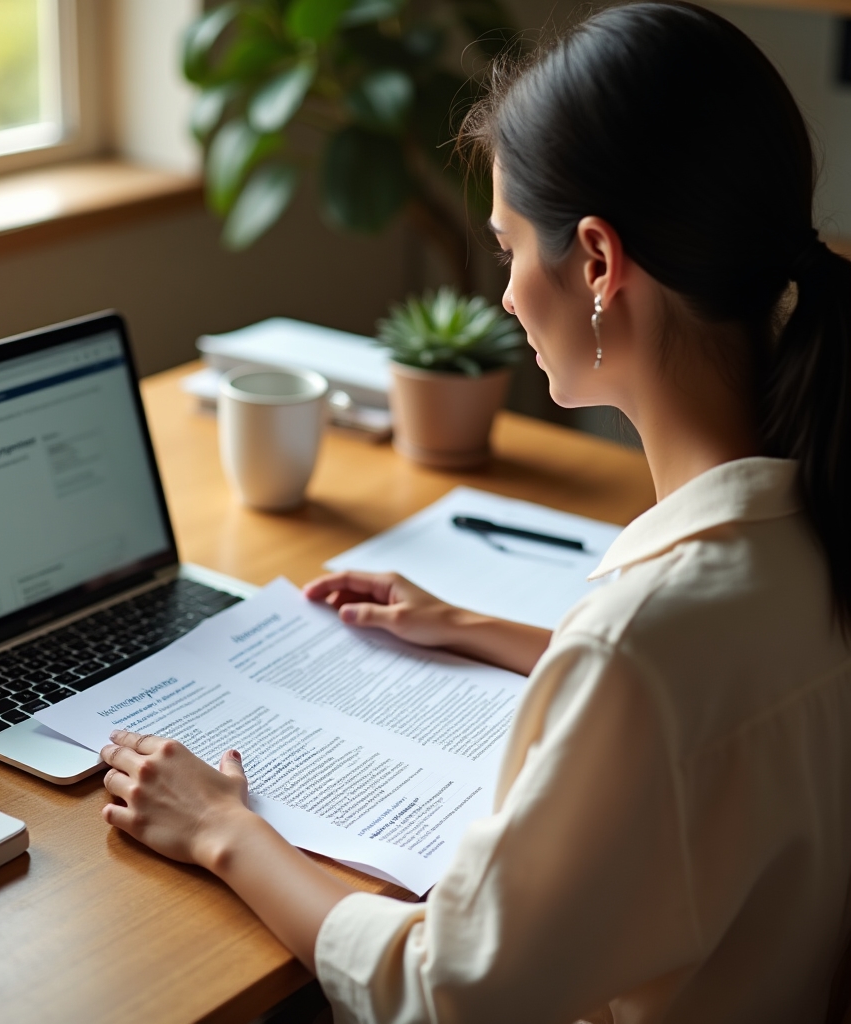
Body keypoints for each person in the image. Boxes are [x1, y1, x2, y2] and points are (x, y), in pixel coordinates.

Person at [98, 4, 851, 1021]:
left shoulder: (646, 641)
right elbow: (716, 694)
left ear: (595, 262)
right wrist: (476, 628)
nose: (503, 296)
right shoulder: (812, 514)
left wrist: (224, 829)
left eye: (507, 249)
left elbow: (448, 990)